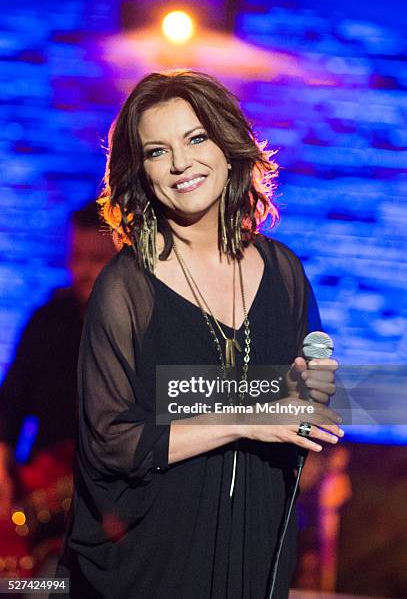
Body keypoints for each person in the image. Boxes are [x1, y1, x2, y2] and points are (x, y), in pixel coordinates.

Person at [55, 70, 342, 599]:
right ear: (140, 171)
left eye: (195, 138)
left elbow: (303, 402)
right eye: (157, 151)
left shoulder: (284, 272)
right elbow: (110, 444)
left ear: (228, 145)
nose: (181, 163)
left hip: (254, 548)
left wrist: (314, 394)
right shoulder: (126, 288)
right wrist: (246, 417)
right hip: (151, 559)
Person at [0, 202, 115, 544]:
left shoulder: (143, 331)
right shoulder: (47, 320)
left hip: (111, 510)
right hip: (42, 497)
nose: (82, 270)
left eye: (96, 260)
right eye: (76, 257)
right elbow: (9, 407)